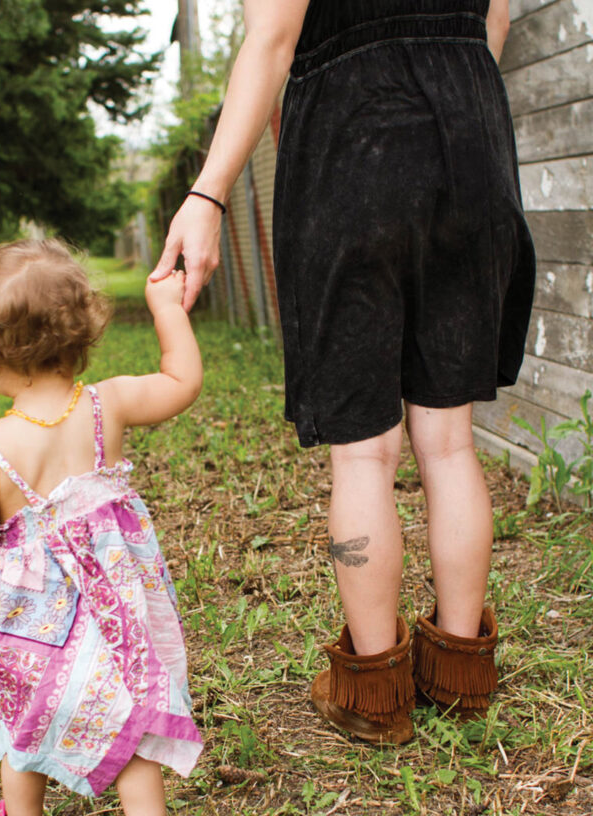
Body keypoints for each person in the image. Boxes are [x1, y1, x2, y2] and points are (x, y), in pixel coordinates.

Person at [152, 0, 535, 743]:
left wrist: (207, 193)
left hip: (353, 142)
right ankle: (461, 680)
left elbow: (272, 37)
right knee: (449, 441)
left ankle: (374, 691)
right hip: (472, 136)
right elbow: (497, 21)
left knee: (365, 450)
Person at [0, 239, 204, 816]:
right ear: (79, 333)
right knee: (124, 707)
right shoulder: (107, 404)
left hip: (34, 627)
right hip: (112, 613)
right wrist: (166, 308)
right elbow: (183, 381)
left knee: (25, 715)